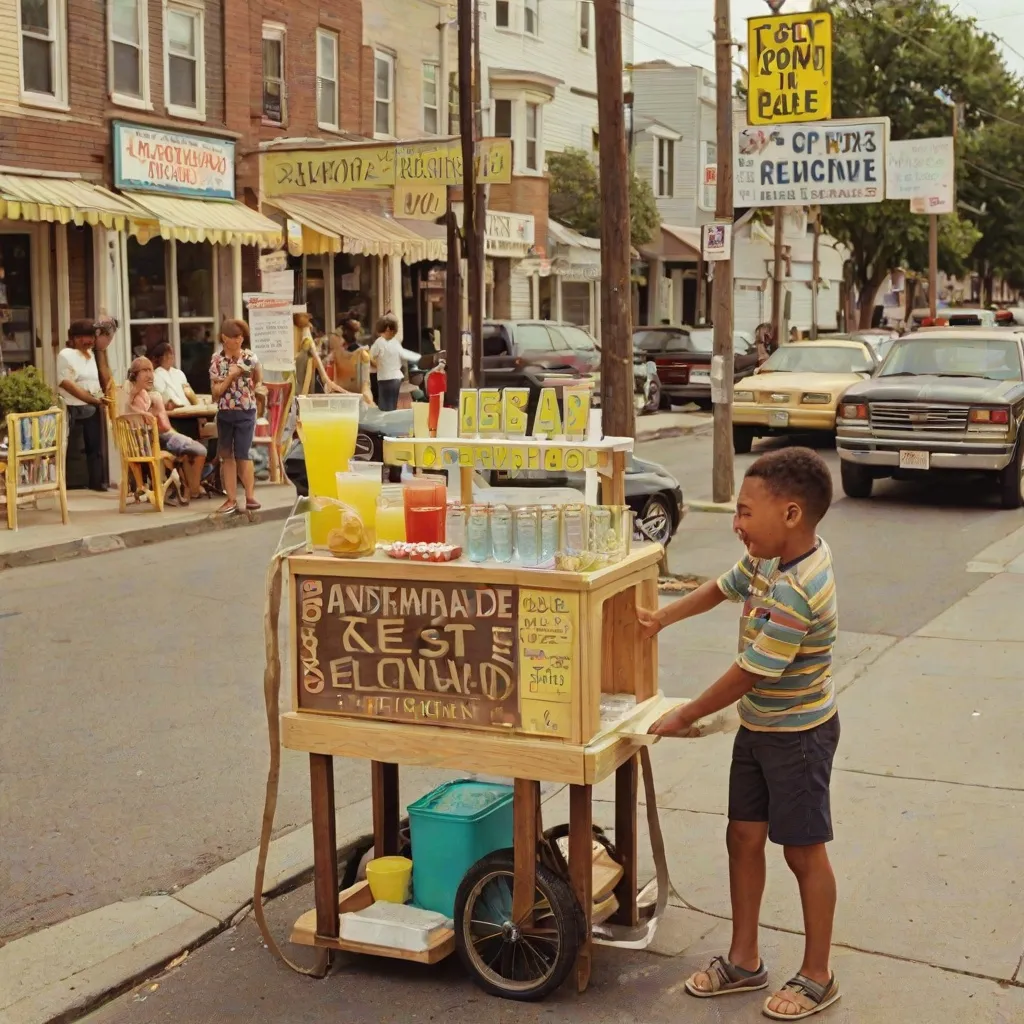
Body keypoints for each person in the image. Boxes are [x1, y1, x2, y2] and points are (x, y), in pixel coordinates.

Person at [639, 448, 841, 1021]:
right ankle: (745, 959)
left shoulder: (802, 586)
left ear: (792, 514)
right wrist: (661, 616)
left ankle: (818, 974)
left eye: (747, 513)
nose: (738, 524)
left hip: (799, 735)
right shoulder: (765, 558)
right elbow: (719, 588)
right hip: (760, 728)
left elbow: (752, 669)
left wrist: (687, 714)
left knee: (804, 853)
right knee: (743, 838)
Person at [127, 357, 208, 501]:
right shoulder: (134, 395)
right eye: (145, 370)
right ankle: (193, 489)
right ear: (134, 375)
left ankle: (189, 487)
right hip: (152, 441)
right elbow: (164, 427)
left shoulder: (145, 395)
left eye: (151, 370)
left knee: (190, 448)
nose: (150, 375)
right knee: (199, 450)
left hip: (144, 442)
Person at [210, 319, 262, 515]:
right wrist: (230, 377)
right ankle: (231, 498)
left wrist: (253, 389)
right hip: (224, 411)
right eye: (235, 336)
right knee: (226, 455)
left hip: (245, 410)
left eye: (241, 336)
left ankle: (250, 496)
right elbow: (215, 390)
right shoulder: (217, 359)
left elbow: (257, 376)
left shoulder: (248, 357)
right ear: (225, 338)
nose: (239, 339)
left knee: (243, 453)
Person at [56, 320, 106, 491]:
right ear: (74, 338)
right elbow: (67, 383)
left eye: (91, 336)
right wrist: (91, 399)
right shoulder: (66, 354)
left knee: (94, 446)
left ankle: (96, 482)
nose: (89, 340)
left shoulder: (92, 355)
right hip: (72, 405)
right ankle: (68, 483)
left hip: (92, 405)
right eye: (84, 337)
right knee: (70, 447)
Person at [370, 314, 404, 411]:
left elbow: (370, 356)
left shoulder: (379, 342)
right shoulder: (396, 342)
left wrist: (377, 365)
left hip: (385, 377)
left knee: (385, 406)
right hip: (396, 377)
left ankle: (386, 424)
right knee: (392, 404)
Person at [151, 342, 200, 410]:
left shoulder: (179, 373)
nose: (171, 356)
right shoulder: (155, 375)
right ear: (161, 357)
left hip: (189, 410)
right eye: (168, 354)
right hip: (174, 413)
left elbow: (189, 393)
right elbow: (162, 398)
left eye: (172, 353)